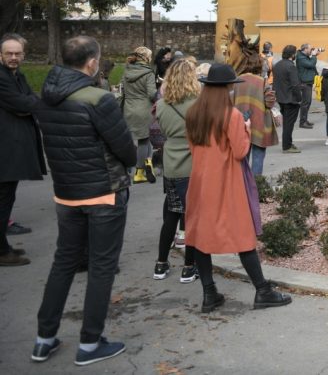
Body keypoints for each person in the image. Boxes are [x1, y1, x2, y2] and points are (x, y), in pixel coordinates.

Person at [31, 36, 135, 366]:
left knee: (63, 262)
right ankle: (90, 342)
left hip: (67, 193)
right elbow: (126, 149)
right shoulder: (98, 99)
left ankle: (43, 338)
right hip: (103, 192)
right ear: (92, 62)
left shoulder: (45, 98)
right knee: (101, 267)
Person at [186, 64, 291, 314]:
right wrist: (245, 127)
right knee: (243, 235)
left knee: (200, 237)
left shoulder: (193, 113)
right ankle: (262, 290)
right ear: (225, 89)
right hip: (227, 181)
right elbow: (241, 151)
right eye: (231, 87)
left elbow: (193, 148)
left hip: (200, 181)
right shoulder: (230, 115)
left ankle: (209, 293)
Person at [153, 59, 200, 283]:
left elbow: (162, 130)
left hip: (170, 162)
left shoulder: (162, 105)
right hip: (192, 164)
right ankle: (189, 266)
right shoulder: (198, 104)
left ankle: (160, 264)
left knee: (171, 215)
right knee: (191, 218)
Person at [0, 33, 45, 266]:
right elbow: (23, 103)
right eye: (9, 53)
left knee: (7, 196)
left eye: (17, 53)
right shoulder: (2, 77)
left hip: (12, 146)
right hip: (5, 148)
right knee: (3, 197)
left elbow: (31, 101)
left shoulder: (17, 76)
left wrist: (27, 105)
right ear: (1, 55)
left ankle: (3, 246)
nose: (14, 57)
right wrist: (26, 105)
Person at [234, 55, 280, 175]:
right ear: (259, 66)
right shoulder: (262, 81)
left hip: (240, 123)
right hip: (259, 123)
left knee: (243, 157)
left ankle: (243, 185)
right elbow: (269, 102)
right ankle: (256, 186)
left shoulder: (236, 80)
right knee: (258, 157)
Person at [122, 46, 158, 184]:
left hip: (129, 108)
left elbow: (123, 90)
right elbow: (151, 94)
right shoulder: (148, 73)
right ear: (146, 57)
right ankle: (139, 172)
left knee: (138, 139)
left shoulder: (127, 71)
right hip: (144, 109)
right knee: (144, 140)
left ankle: (147, 163)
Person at [272, 45, 302, 154]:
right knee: (289, 124)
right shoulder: (291, 66)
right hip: (290, 99)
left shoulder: (277, 65)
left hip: (281, 97)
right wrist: (299, 98)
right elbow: (295, 84)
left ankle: (288, 143)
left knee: (287, 123)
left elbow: (275, 82)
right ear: (292, 54)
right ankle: (287, 146)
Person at [295, 43, 319, 128]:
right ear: (305, 49)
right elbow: (310, 64)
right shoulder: (301, 58)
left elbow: (310, 63)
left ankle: (305, 120)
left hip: (308, 81)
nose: (311, 50)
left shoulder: (304, 56)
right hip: (304, 82)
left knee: (307, 102)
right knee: (305, 103)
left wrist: (313, 56)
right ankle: (302, 122)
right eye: (309, 49)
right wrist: (314, 56)